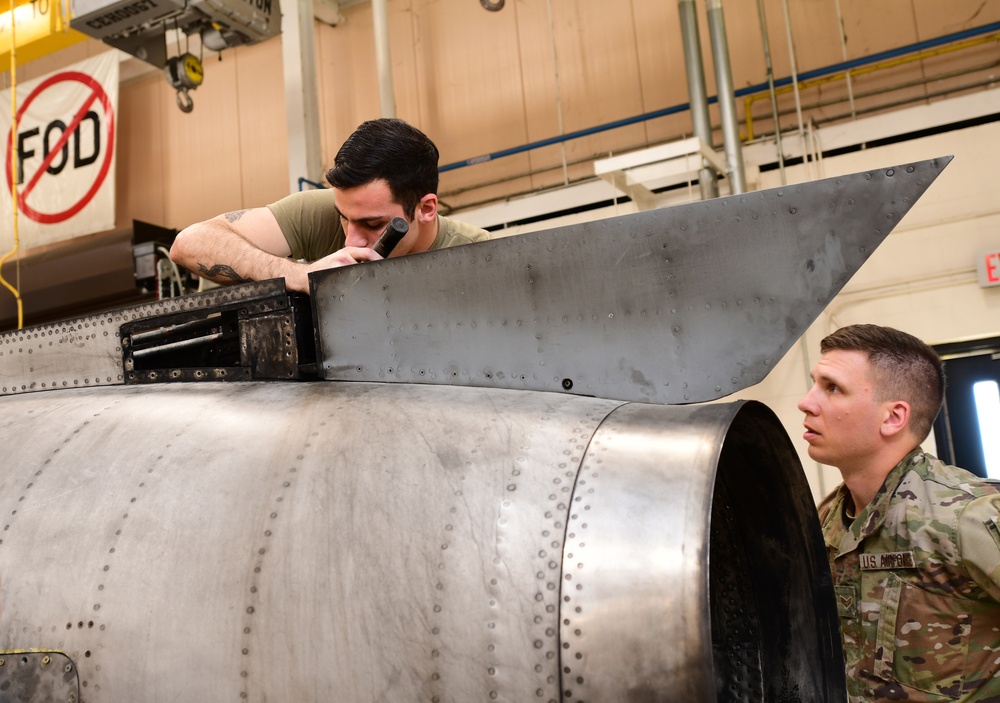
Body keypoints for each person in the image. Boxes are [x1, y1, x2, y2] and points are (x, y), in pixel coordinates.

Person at [798, 323, 1000, 702]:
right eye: (814, 384)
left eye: (832, 388)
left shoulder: (967, 517)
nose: (807, 403)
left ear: (893, 417)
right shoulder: (825, 520)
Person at [169, 118, 492, 294]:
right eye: (343, 218)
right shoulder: (320, 211)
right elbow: (189, 243)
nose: (352, 240)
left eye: (374, 224)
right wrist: (297, 274)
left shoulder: (485, 258)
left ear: (426, 209)